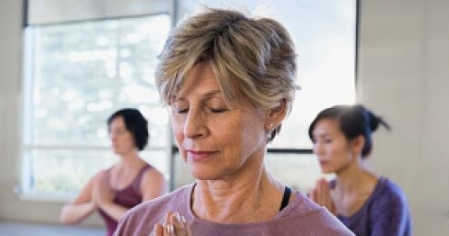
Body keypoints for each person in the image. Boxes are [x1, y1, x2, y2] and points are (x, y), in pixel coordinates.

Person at [114, 7, 353, 236]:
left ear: (275, 110)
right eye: (181, 108)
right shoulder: (138, 224)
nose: (190, 129)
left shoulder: (323, 232)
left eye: (216, 108)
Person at [60, 108, 167, 236]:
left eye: (119, 131)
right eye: (110, 131)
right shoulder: (103, 176)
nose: (113, 137)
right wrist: (93, 205)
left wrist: (106, 204)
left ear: (135, 133)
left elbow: (146, 224)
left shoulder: (152, 177)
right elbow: (65, 216)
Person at [308, 104, 411, 236]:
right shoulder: (321, 196)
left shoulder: (389, 199)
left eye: (327, 140)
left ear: (357, 143)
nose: (317, 150)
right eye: (315, 141)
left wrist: (326, 225)